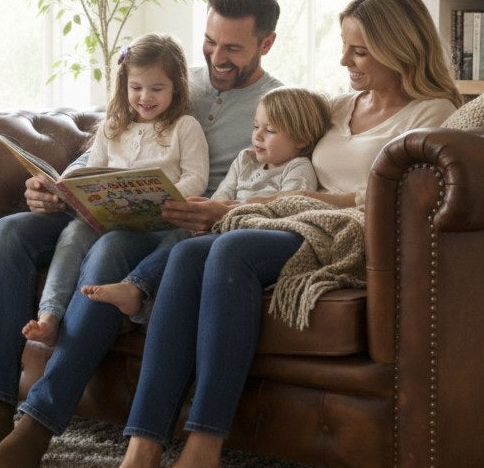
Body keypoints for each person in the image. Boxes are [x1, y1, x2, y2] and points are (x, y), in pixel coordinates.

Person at [84, 0, 463, 468]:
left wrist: (291, 199)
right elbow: (279, 146)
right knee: (193, 252)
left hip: (341, 232)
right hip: (284, 218)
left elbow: (391, 193)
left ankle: (202, 455)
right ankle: (142, 449)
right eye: (344, 47)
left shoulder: (433, 112)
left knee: (230, 249)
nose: (344, 61)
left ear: (401, 47)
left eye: (359, 51)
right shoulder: (337, 107)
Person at [0, 0, 283, 468]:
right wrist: (55, 188)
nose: (217, 56)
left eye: (233, 47)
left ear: (266, 44)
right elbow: (111, 145)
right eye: (211, 42)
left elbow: (284, 181)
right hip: (114, 205)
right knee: (12, 229)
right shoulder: (172, 79)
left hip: (174, 227)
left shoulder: (278, 104)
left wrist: (216, 208)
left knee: (110, 251)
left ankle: (39, 423)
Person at [20, 33, 208, 346]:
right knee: (72, 235)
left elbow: (196, 177)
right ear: (124, 86)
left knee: (111, 244)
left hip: (159, 222)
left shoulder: (185, 127)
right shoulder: (112, 126)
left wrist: (167, 197)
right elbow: (92, 173)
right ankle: (49, 315)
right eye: (136, 87)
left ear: (176, 87)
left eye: (157, 88)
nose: (145, 96)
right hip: (109, 219)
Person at [82, 86, 332, 317]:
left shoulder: (298, 168)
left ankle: (136, 289)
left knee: (186, 246)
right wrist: (205, 210)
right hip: (222, 223)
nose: (258, 136)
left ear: (301, 140)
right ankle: (138, 291)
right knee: (181, 234)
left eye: (270, 130)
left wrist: (225, 212)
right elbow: (222, 194)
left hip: (250, 232)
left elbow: (288, 209)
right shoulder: (245, 159)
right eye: (256, 126)